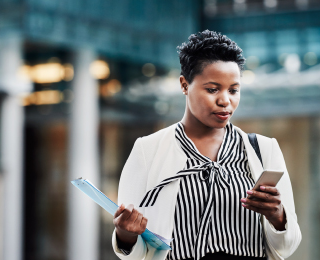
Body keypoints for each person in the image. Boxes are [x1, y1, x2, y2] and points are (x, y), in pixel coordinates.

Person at [112, 30, 301, 260]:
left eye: (233, 90)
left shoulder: (264, 150)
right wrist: (125, 235)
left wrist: (278, 217)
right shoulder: (147, 151)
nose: (225, 101)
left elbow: (287, 247)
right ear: (184, 85)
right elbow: (137, 252)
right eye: (212, 89)